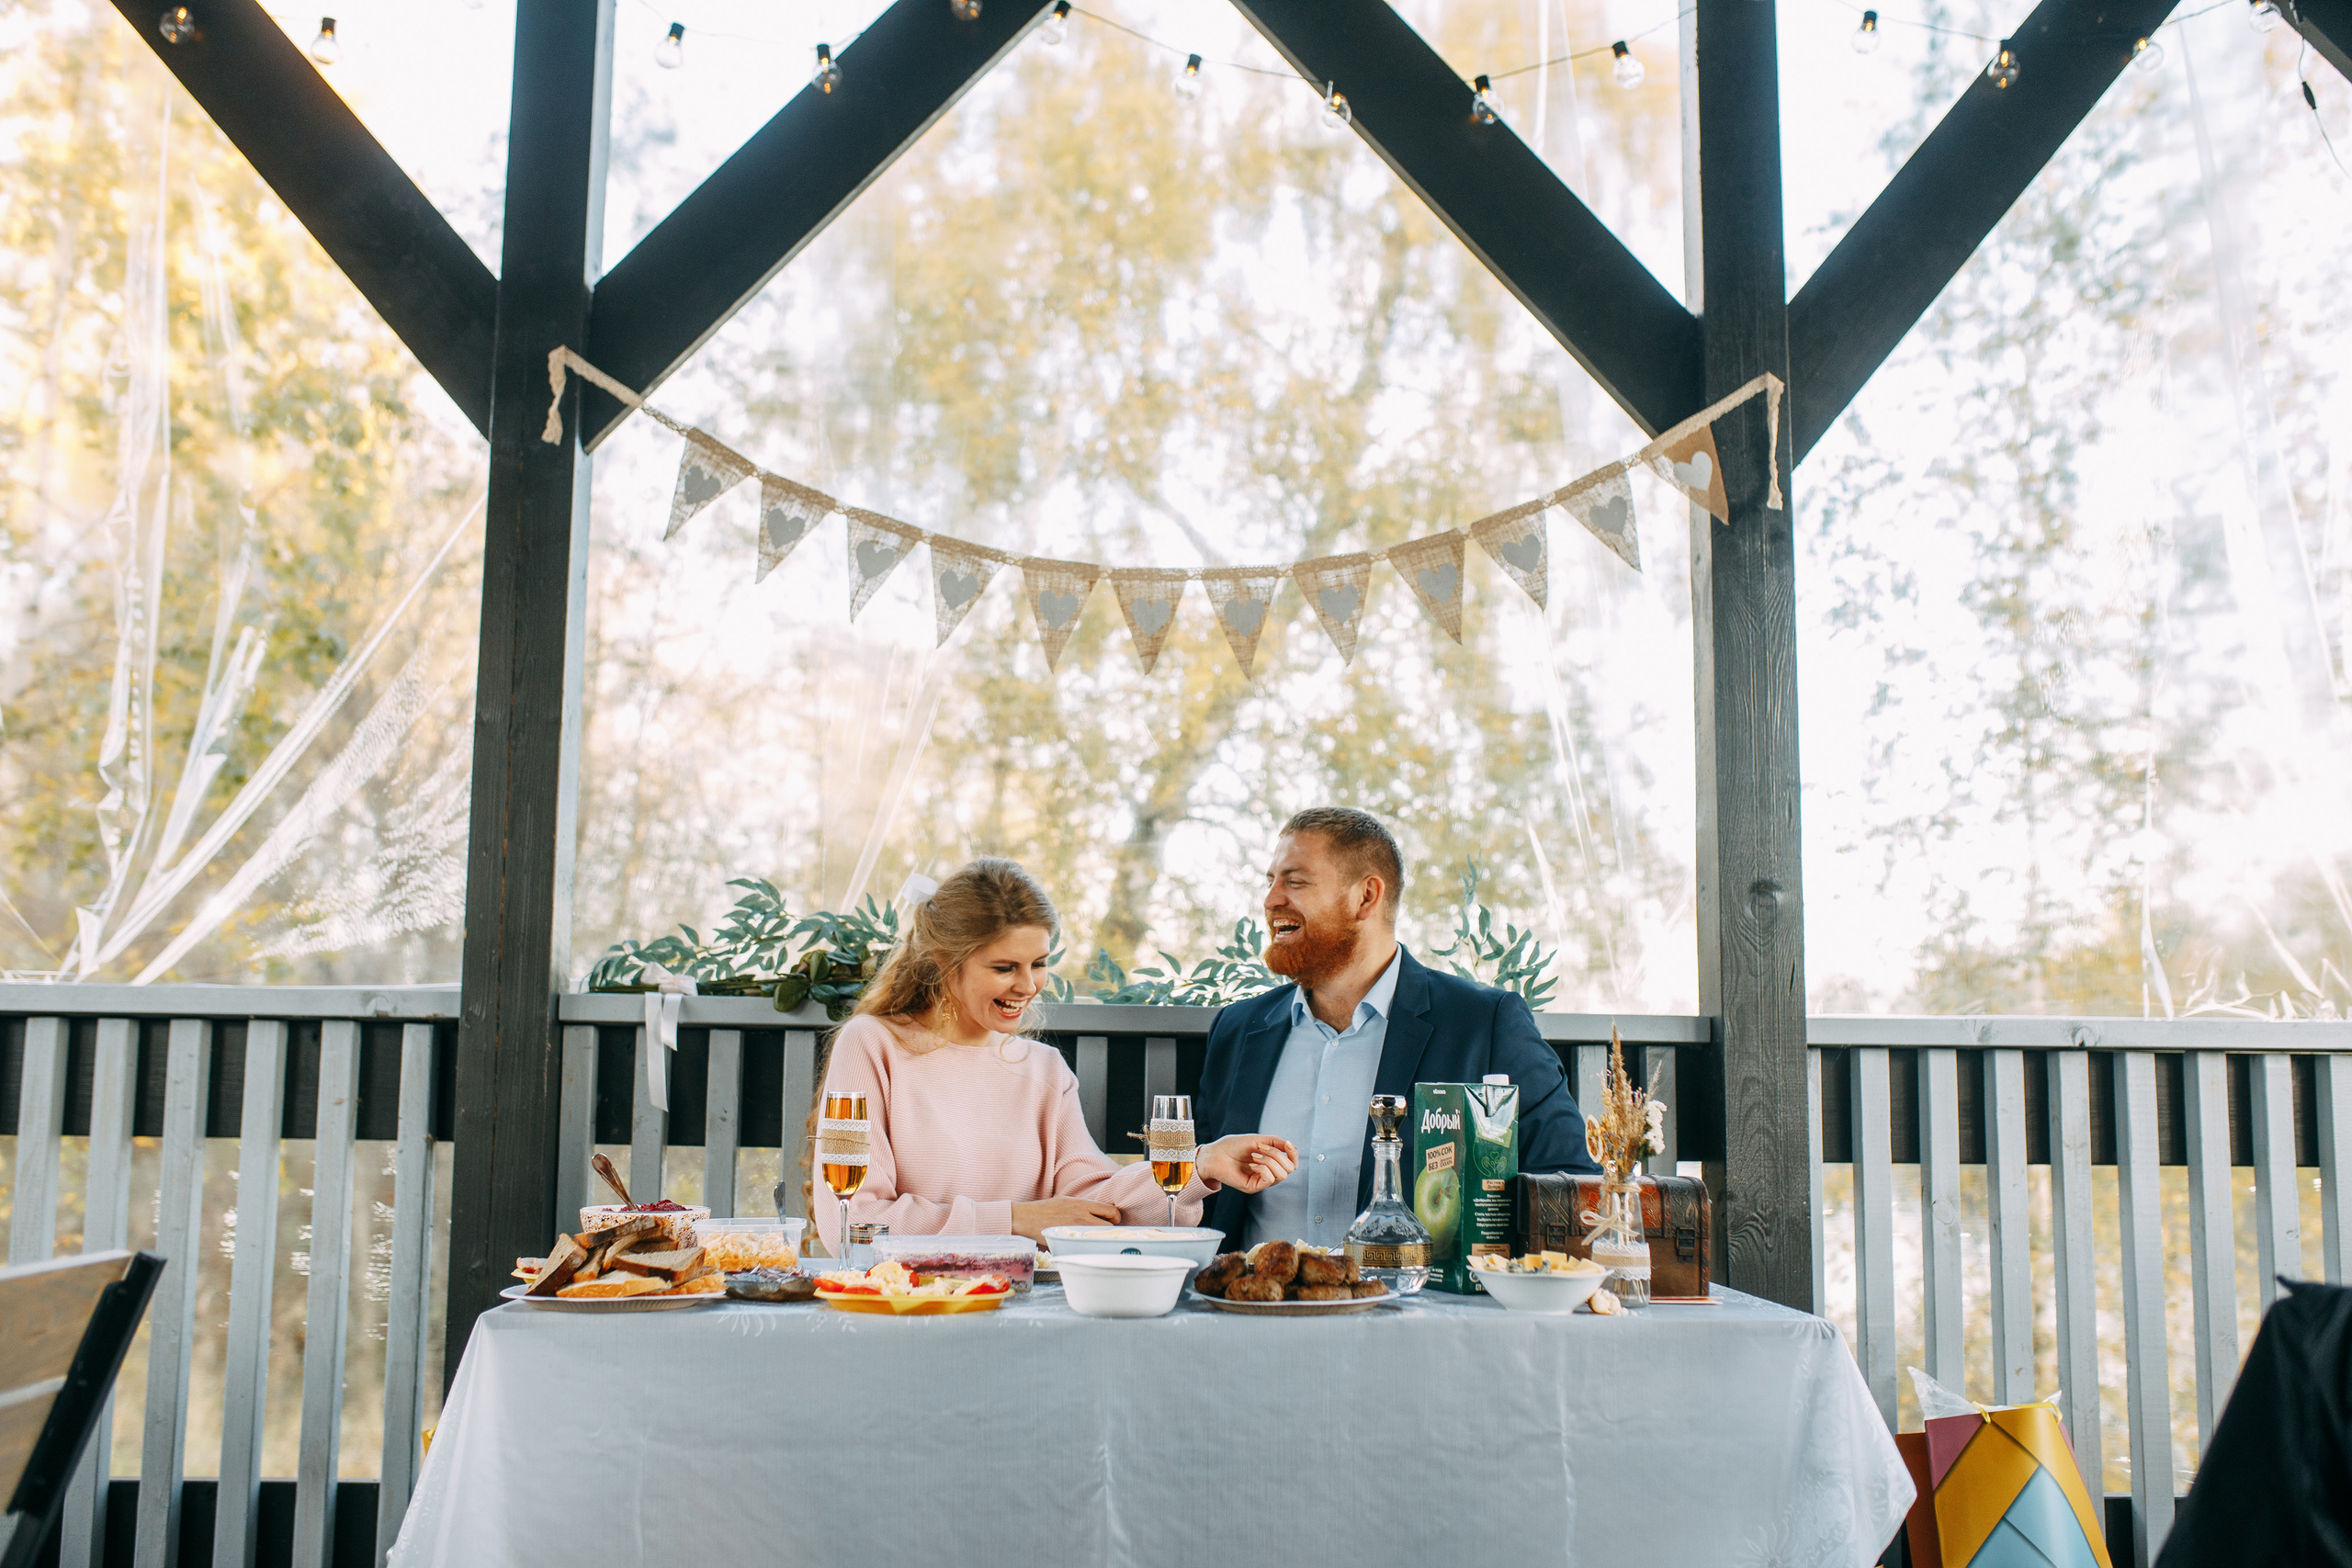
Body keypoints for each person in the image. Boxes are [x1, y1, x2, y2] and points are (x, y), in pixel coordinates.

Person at [810, 858, 1298, 1246]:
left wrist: (1201, 1164)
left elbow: (1093, 1201)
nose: (1028, 986)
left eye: (1039, 963)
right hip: (908, 1308)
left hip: (1028, 1309)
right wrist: (1017, 1220)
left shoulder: (1043, 1069)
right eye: (1005, 967)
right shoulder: (873, 1045)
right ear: (944, 963)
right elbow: (853, 1222)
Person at [1194, 807, 1600, 1251]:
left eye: (1295, 881)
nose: (1271, 900)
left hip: (1420, 1314)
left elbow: (1570, 1187)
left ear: (1367, 896)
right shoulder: (1237, 1030)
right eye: (1269, 881)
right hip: (1249, 1310)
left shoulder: (1485, 1025)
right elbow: (1192, 1193)